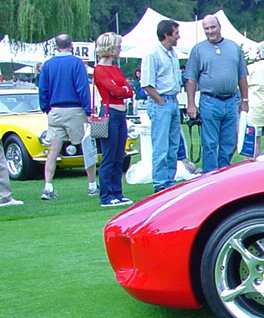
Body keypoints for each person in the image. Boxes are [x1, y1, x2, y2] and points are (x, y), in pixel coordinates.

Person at [184, 15, 249, 172]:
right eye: (206, 28)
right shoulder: (198, 50)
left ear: (219, 26)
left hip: (232, 100)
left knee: (229, 141)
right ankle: (210, 176)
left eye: (212, 27)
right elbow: (191, 80)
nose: (210, 31)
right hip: (209, 101)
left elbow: (242, 76)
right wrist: (191, 104)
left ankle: (224, 173)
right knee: (210, 142)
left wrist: (245, 99)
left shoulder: (234, 47)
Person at [37, 34, 97, 200]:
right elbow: (82, 87)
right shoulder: (77, 63)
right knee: (86, 148)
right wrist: (87, 111)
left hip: (55, 110)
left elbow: (43, 89)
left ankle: (48, 187)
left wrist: (46, 107)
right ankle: (92, 185)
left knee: (53, 151)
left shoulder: (48, 65)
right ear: (71, 45)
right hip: (74, 109)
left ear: (56, 46)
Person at [92, 32, 134, 207]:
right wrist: (122, 89)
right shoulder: (99, 70)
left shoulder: (115, 69)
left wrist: (122, 89)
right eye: (117, 46)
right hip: (110, 114)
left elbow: (128, 90)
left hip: (120, 113)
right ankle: (106, 195)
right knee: (109, 156)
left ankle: (117, 191)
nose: (120, 50)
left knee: (119, 156)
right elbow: (115, 91)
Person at [141, 19, 182, 193]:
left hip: (173, 101)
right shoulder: (153, 54)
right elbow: (146, 83)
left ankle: (169, 180)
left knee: (174, 144)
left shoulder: (173, 54)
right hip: (162, 102)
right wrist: (160, 101)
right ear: (166, 35)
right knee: (161, 145)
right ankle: (159, 183)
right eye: (176, 33)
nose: (178, 36)